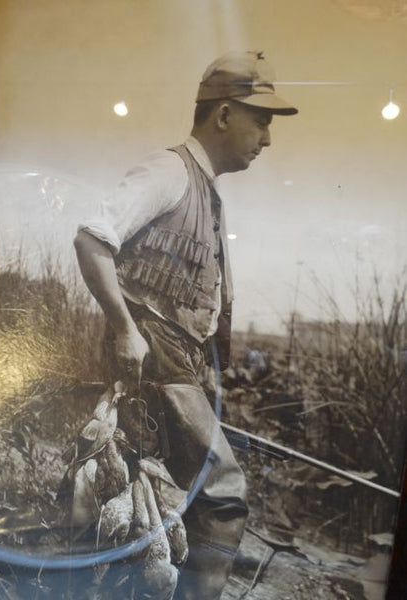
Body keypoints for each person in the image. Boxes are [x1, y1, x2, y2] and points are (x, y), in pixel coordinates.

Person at [74, 50, 298, 600]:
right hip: (155, 360)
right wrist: (125, 329)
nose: (267, 138)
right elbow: (91, 239)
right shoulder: (170, 170)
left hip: (179, 364)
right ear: (223, 115)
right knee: (222, 493)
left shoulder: (207, 190)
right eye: (261, 120)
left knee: (157, 499)